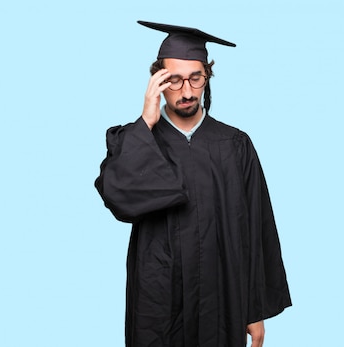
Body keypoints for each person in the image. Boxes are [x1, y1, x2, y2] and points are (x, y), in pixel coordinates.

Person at [95, 20, 292, 347]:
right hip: (158, 301)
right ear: (157, 81)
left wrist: (255, 309)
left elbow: (257, 230)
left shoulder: (234, 144)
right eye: (173, 80)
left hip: (223, 297)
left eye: (195, 78)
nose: (186, 91)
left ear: (207, 77)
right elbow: (117, 196)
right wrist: (145, 122)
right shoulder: (138, 141)